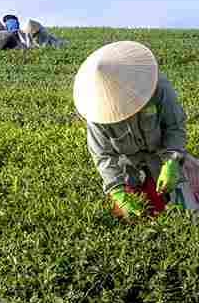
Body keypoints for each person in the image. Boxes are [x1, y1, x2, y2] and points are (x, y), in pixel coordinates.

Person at [73, 41, 187, 220]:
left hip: (161, 158)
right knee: (132, 216)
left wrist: (172, 160)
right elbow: (103, 156)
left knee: (179, 206)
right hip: (128, 170)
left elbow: (175, 126)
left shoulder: (159, 89)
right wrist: (117, 192)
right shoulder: (97, 113)